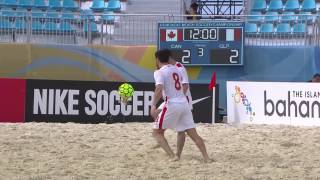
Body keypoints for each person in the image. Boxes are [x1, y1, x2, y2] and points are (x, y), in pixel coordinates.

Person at [151, 49, 211, 163]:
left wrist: (153, 105)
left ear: (157, 59)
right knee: (193, 134)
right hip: (184, 104)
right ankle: (206, 158)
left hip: (172, 104)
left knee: (156, 133)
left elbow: (158, 89)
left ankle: (173, 156)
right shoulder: (178, 69)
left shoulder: (159, 72)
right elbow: (183, 85)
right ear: (168, 58)